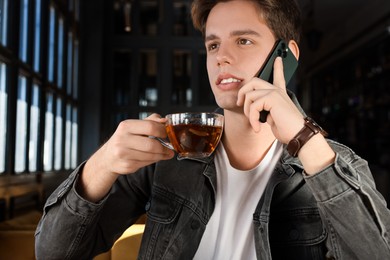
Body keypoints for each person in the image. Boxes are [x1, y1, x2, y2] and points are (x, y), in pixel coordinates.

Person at [35, 0, 390, 259]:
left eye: (243, 41)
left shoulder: (330, 164)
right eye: (213, 44)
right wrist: (103, 164)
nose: (222, 57)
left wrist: (304, 139)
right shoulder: (171, 153)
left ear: (286, 55)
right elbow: (53, 252)